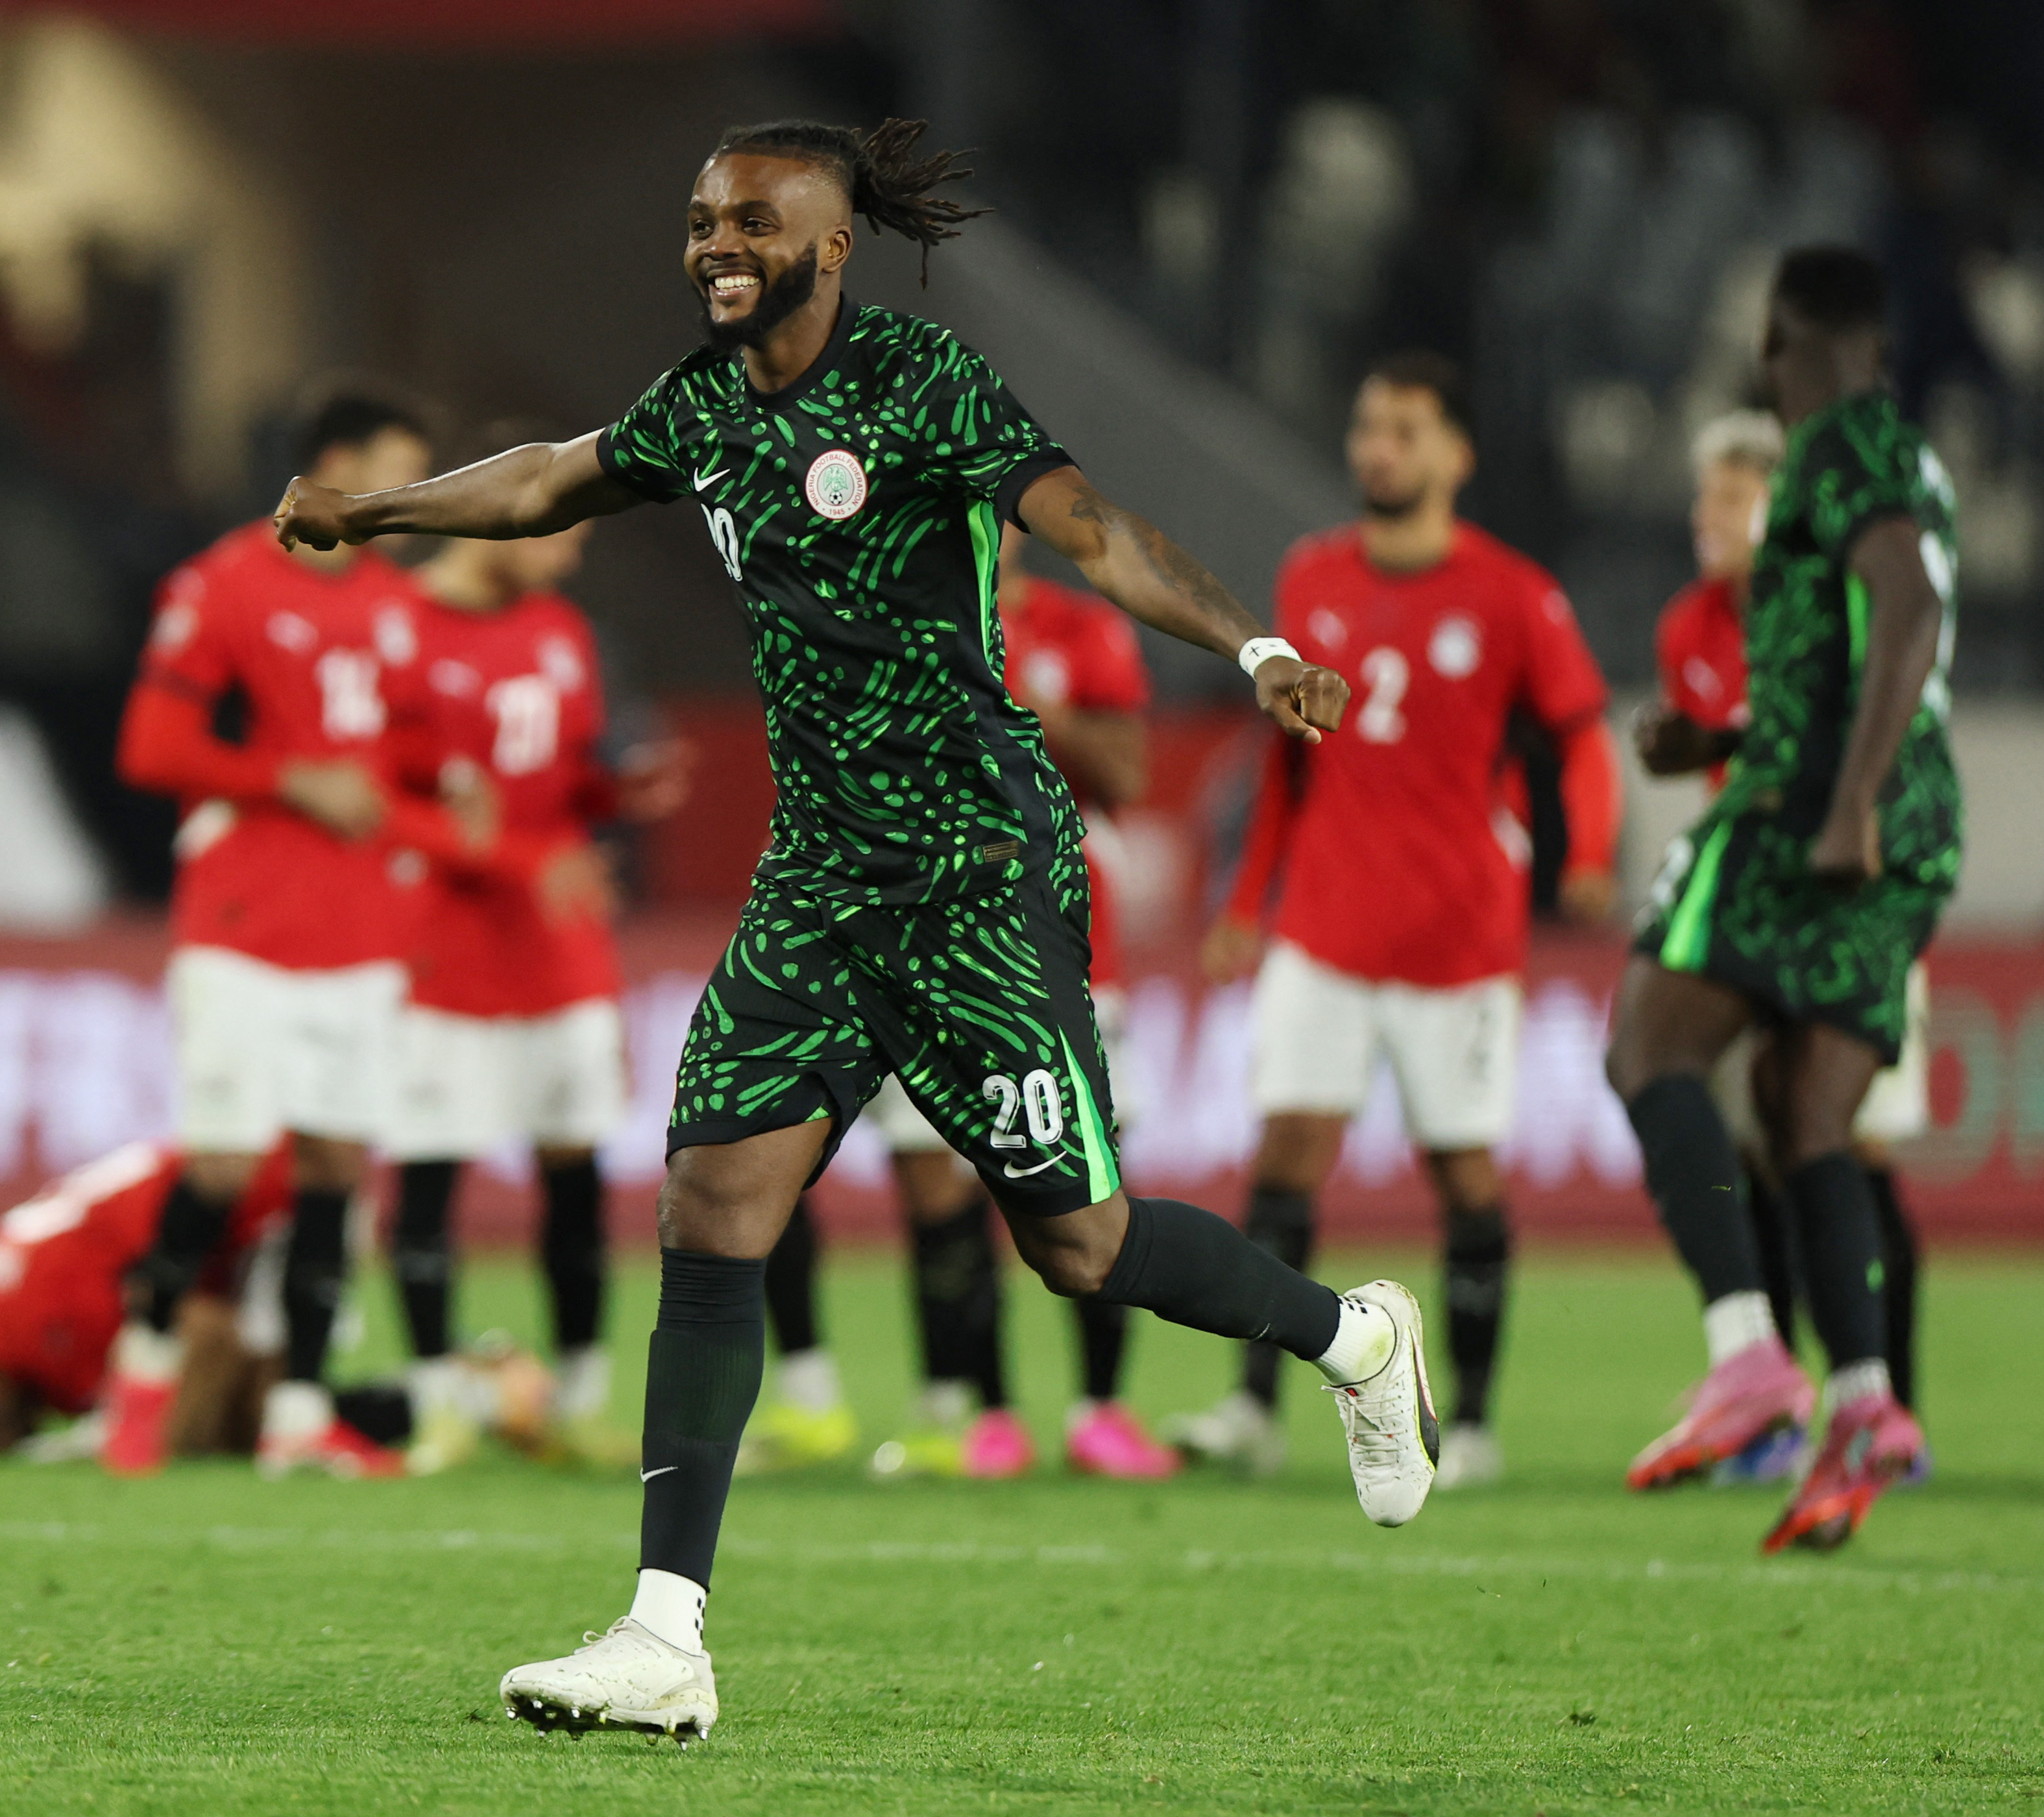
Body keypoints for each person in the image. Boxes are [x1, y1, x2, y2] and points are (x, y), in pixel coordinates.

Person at [275, 116, 1441, 1742]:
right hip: (821, 876)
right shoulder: (699, 407)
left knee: (1080, 1249)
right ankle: (664, 1635)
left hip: (974, 868)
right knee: (713, 1205)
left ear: (831, 247)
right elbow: (548, 480)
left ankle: (1354, 1337)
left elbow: (1095, 530)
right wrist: (379, 511)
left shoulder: (922, 383)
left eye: (751, 219)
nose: (713, 244)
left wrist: (1249, 654)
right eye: (699, 219)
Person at [1165, 351, 1620, 1492]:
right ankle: (1253, 1410)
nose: (1379, 448)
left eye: (1405, 431)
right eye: (1369, 427)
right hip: (1322, 927)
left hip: (1458, 939)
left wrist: (1595, 850)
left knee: (1464, 1172)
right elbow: (1287, 766)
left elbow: (1580, 734)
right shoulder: (1312, 575)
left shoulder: (1513, 594)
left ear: (1454, 456)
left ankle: (1469, 1422)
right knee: (1285, 1160)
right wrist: (1245, 901)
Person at [1611, 246, 1955, 1554]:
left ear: (1783, 338)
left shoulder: (1831, 446)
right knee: (1799, 1102)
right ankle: (1866, 1403)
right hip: (1907, 816)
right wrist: (1723, 744)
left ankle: (1749, 1355)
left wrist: (1848, 795)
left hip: (1821, 808)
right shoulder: (1912, 456)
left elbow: (1907, 606)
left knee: (1650, 1040)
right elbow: (1871, 633)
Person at [116, 385, 481, 1478]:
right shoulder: (223, 583)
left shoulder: (394, 606)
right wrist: (288, 780)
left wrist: (454, 805)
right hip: (241, 920)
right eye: (393, 473)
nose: (407, 500)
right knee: (224, 1164)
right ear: (331, 468)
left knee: (334, 1165)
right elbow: (151, 745)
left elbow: (399, 767)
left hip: (359, 929)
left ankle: (299, 1415)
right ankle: (140, 1376)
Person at [1634, 410, 1928, 1465]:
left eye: (1728, 496)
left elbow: (1847, 736)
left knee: (1849, 1140)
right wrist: (1692, 750)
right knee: (1765, 1137)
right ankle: (1819, 1410)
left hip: (1848, 882)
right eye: (1701, 496)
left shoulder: (1832, 604)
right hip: (1757, 895)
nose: (1703, 516)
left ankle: (1885, 1395)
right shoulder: (1690, 624)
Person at [862, 520, 1177, 1482]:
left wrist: (1022, 704)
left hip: (1059, 946)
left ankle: (1101, 1410)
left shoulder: (1082, 633)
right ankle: (981, 1413)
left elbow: (1126, 772)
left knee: (1084, 1173)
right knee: (932, 1178)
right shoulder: (882, 628)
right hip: (926, 942)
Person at [385, 496, 693, 1472]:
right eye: (562, 531)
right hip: (441, 947)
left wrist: (619, 794)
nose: (571, 554)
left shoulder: (563, 634)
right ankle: (439, 1403)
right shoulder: (396, 627)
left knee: (575, 1170)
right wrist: (517, 859)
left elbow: (566, 783)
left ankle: (575, 1399)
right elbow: (377, 796)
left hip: (559, 944)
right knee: (430, 1169)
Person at [0, 1143, 541, 1464]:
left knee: (232, 1412)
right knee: (232, 1417)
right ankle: (472, 1389)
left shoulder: (31, 1326)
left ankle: (473, 1389)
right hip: (249, 1196)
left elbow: (193, 1323)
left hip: (285, 1198)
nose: (9, 1439)